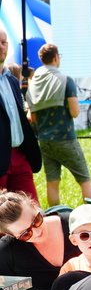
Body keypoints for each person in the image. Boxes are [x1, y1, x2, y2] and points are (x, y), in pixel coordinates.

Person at [25, 44, 91, 206]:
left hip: (44, 140)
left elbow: (33, 118)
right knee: (84, 179)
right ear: (56, 57)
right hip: (65, 139)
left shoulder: (34, 83)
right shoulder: (65, 80)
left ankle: (56, 215)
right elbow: (75, 112)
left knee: (52, 181)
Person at [0, 191, 79, 290]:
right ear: (11, 235)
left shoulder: (74, 225)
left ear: (34, 205)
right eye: (25, 233)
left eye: (36, 220)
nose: (37, 232)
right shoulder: (6, 252)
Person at [0, 28, 41, 202]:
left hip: (19, 155)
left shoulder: (11, 80)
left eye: (4, 42)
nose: (1, 47)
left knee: (32, 212)